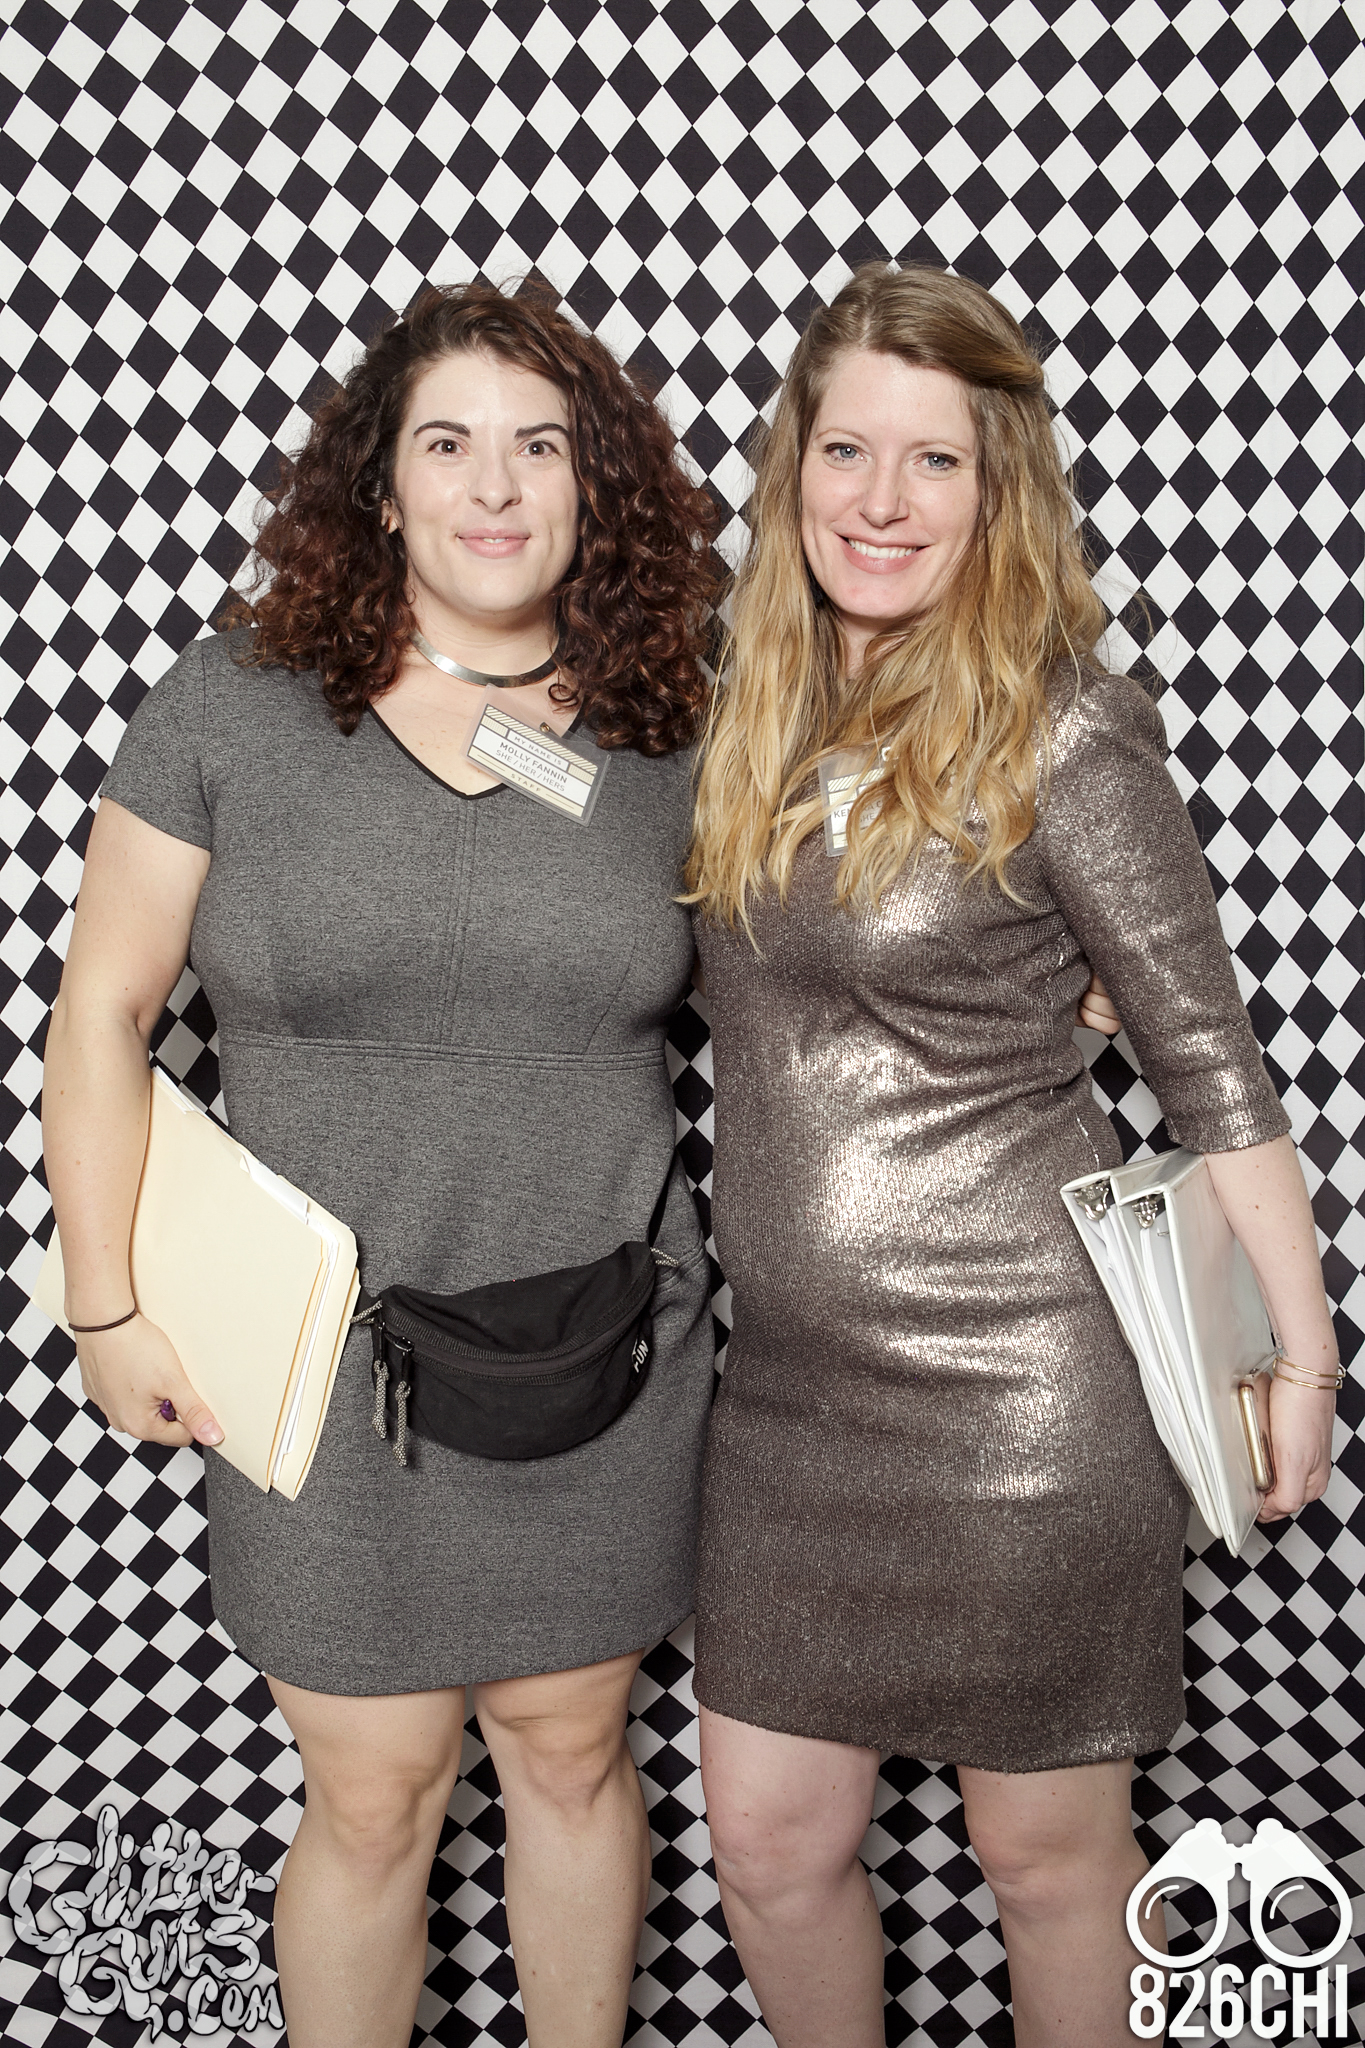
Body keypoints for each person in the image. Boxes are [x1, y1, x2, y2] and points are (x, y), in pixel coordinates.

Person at [40, 281, 722, 2048]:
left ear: (593, 486)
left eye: (538, 446)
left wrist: (1050, 972)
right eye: (447, 444)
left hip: (600, 1348)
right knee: (368, 1794)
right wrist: (103, 1306)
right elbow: (100, 1015)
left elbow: (831, 970)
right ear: (381, 483)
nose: (493, 486)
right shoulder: (229, 705)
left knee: (571, 1755)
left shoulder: (680, 731)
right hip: (318, 1370)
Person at [683, 263, 1339, 2048]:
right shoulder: (747, 719)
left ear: (998, 490)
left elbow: (1212, 1068)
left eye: (935, 462)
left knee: (1044, 1862)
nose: (881, 503)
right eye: (846, 452)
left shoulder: (1063, 728)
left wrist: (1301, 1355)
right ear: (792, 467)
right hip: (789, 1400)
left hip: (1021, 1400)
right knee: (767, 1844)